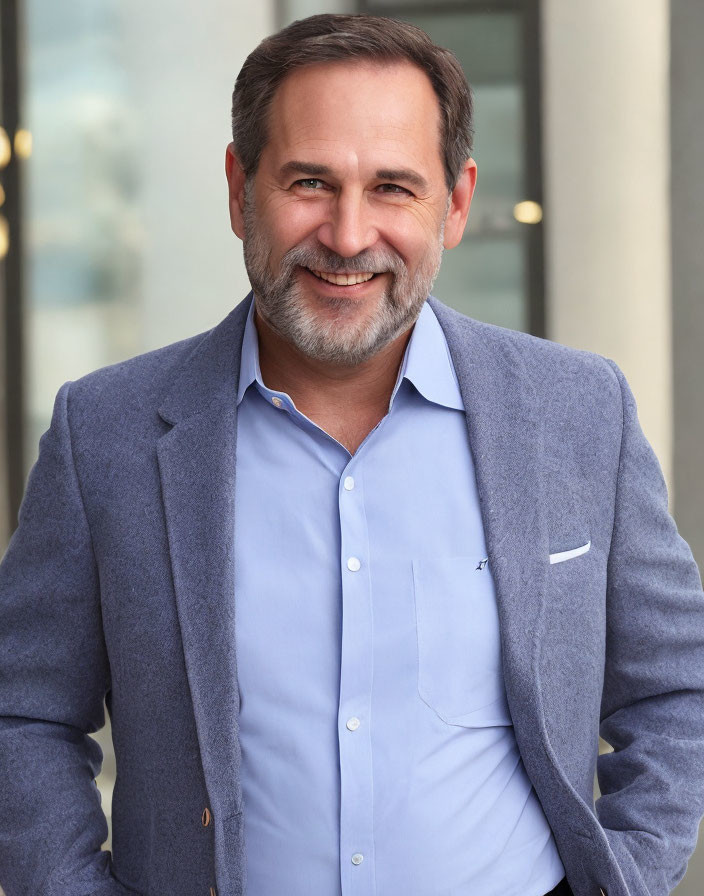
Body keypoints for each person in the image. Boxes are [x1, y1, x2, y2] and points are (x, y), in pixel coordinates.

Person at [0, 12, 703, 896]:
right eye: (309, 181)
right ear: (238, 188)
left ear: (454, 204)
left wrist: (628, 873)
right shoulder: (104, 434)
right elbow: (21, 712)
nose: (346, 234)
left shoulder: (577, 415)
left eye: (394, 189)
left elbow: (676, 689)